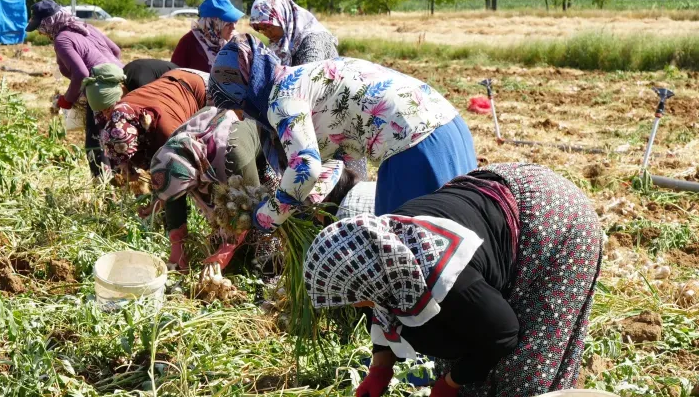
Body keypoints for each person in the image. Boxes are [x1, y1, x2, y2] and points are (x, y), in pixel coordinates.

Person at [303, 165, 604, 397]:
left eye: (351, 300)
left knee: (524, 368)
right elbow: (386, 300)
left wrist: (448, 386)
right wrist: (380, 367)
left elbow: (502, 333)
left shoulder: (446, 275)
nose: (354, 307)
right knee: (459, 334)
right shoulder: (384, 249)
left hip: (555, 223)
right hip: (502, 200)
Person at [209, 40, 476, 229]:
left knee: (410, 253)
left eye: (239, 106)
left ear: (245, 93)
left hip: (414, 148)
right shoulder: (302, 77)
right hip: (448, 128)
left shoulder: (283, 97)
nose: (245, 115)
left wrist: (267, 216)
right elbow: (330, 162)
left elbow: (305, 165)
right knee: (459, 235)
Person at [149, 109, 353, 270]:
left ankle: (266, 261)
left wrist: (227, 249)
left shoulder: (233, 156)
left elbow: (251, 206)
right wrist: (177, 246)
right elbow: (173, 196)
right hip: (215, 152)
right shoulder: (172, 156)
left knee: (265, 218)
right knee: (225, 213)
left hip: (260, 146)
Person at [98, 68, 208, 175]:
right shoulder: (122, 113)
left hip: (202, 88)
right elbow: (120, 144)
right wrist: (125, 163)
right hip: (175, 79)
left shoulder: (168, 134)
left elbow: (187, 168)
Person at [28, 0, 123, 115]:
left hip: (103, 95)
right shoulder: (87, 27)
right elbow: (116, 51)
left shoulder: (62, 40)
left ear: (49, 23)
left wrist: (67, 100)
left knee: (100, 132)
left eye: (40, 27)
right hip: (123, 81)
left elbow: (81, 74)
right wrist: (113, 75)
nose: (40, 33)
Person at [249, 0, 339, 65]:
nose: (266, 33)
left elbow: (308, 81)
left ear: (283, 19)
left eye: (268, 26)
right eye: (259, 29)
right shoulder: (278, 43)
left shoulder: (314, 41)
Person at [171, 0, 245, 73]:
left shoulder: (233, 41)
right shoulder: (188, 43)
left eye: (234, 22)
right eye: (228, 24)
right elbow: (173, 76)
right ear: (212, 25)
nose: (233, 27)